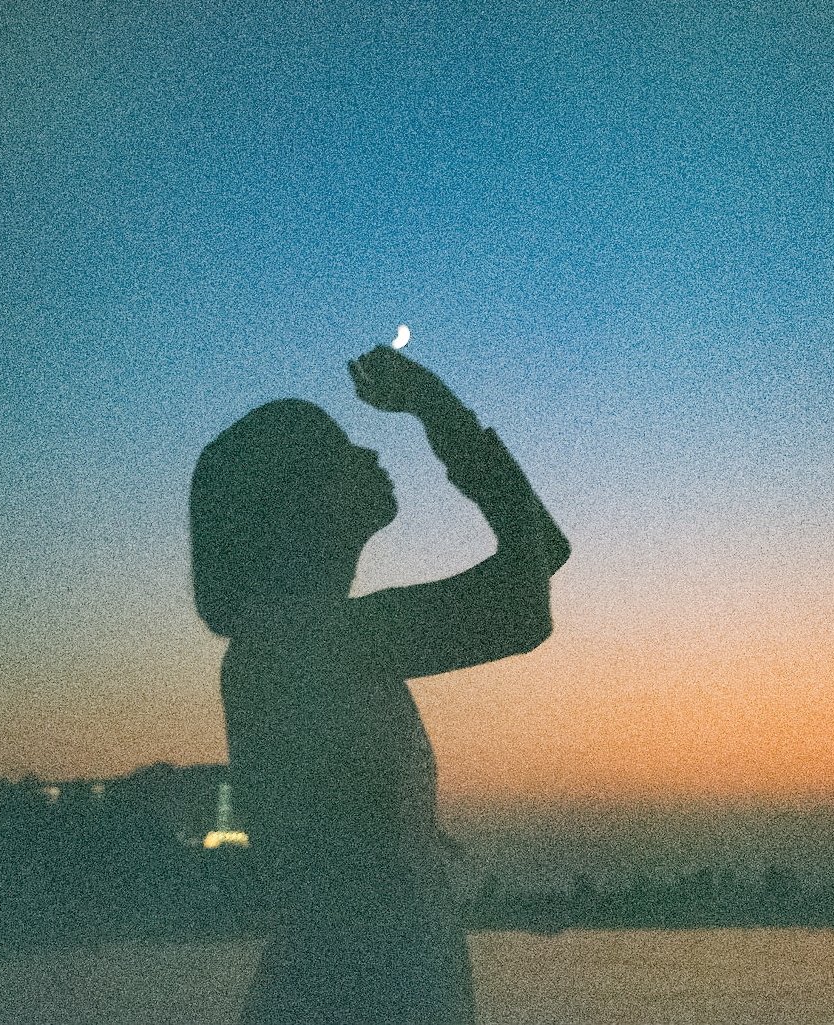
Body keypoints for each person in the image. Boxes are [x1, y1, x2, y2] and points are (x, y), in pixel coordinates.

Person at [189, 345, 569, 1023]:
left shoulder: (301, 639)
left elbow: (542, 552)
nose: (367, 452)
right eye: (339, 451)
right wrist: (433, 405)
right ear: (292, 505)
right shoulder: (302, 642)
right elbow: (524, 599)